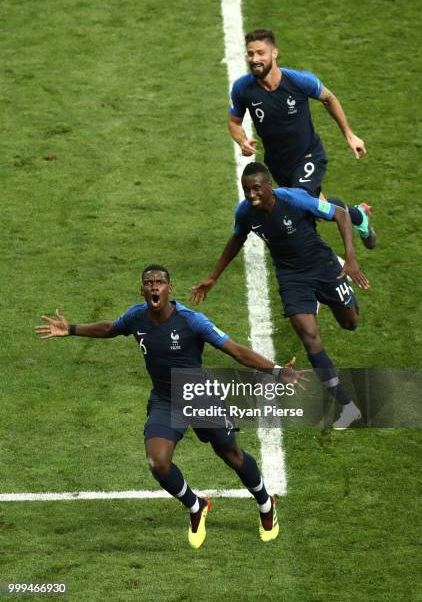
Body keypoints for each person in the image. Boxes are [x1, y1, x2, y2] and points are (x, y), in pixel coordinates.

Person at [36, 264, 306, 549]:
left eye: (160, 282)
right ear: (142, 289)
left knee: (231, 454)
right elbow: (110, 328)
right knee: (158, 463)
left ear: (169, 289)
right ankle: (196, 505)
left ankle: (265, 502)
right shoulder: (136, 316)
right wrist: (72, 329)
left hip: (199, 394)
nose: (154, 286)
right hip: (165, 399)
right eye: (149, 282)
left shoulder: (192, 321)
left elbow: (236, 350)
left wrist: (277, 371)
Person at [192, 162, 368, 429]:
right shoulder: (245, 213)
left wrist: (351, 259)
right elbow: (236, 239)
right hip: (291, 277)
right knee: (310, 339)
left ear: (269, 186)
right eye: (246, 190)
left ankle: (329, 290)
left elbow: (341, 215)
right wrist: (213, 277)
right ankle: (347, 405)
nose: (251, 196)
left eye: (256, 189)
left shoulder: (294, 199)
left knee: (350, 323)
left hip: (323, 265)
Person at [228, 28, 376, 249]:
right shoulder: (242, 88)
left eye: (261, 53)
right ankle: (358, 216)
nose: (255, 59)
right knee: (320, 209)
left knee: (302, 207)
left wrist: (349, 134)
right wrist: (242, 140)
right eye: (250, 54)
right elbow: (234, 122)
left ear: (274, 53)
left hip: (309, 156)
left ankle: (315, 263)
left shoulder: (298, 81)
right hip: (279, 165)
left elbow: (329, 98)